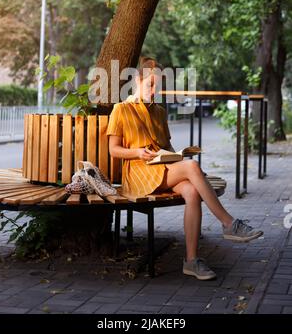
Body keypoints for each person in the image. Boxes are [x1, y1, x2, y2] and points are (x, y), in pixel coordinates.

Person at [107, 57, 263, 280]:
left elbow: (166, 146)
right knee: (192, 167)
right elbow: (114, 150)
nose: (154, 91)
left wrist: (176, 155)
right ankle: (228, 224)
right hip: (138, 174)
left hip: (160, 169)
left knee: (191, 190)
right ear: (137, 81)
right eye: (151, 85)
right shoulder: (121, 109)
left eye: (158, 87)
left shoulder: (159, 112)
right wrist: (137, 152)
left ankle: (191, 261)